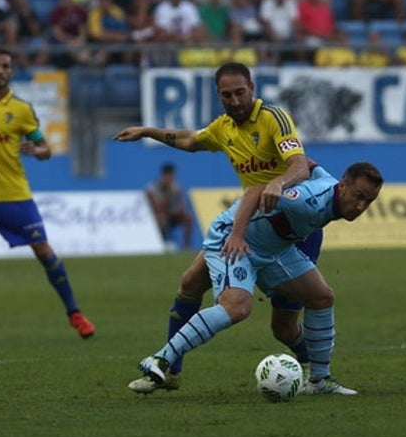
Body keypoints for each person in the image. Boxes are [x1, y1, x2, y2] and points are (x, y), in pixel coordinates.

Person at [114, 62, 316, 393]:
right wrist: (148, 131)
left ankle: (316, 370)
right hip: (251, 223)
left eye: (240, 92)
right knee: (190, 282)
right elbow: (189, 139)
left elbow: (300, 166)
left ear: (252, 89)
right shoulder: (223, 128)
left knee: (284, 327)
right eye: (227, 95)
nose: (234, 100)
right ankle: (170, 370)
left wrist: (278, 183)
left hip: (291, 228)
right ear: (219, 96)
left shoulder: (273, 118)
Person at [135, 162, 384, 396]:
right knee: (236, 307)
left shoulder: (328, 184)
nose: (361, 206)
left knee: (321, 297)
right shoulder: (305, 200)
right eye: (358, 196)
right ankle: (160, 359)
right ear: (343, 186)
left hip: (274, 249)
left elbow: (305, 163)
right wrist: (239, 231)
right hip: (235, 239)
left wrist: (291, 168)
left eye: (368, 201)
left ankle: (319, 380)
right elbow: (255, 191)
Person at [0, 48, 95, 344]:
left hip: (15, 195)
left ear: (11, 72)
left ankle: (75, 314)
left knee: (44, 252)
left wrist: (37, 150)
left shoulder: (21, 110)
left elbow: (46, 148)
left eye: (5, 66)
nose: (0, 71)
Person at [146, 162, 193, 250]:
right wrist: (166, 196)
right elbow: (155, 206)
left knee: (187, 218)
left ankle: (186, 246)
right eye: (168, 176)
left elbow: (181, 206)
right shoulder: (152, 187)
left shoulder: (176, 187)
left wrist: (178, 210)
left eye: (171, 176)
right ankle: (161, 244)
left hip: (170, 214)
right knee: (161, 218)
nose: (170, 178)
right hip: (156, 216)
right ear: (163, 176)